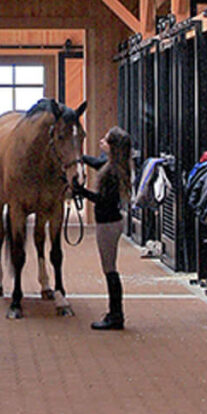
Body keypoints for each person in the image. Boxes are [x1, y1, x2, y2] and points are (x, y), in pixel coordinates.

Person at [72, 126, 135, 331]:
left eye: (105, 140)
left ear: (112, 147)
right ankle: (114, 313)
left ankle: (116, 315)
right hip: (112, 222)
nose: (101, 140)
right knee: (109, 269)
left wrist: (81, 192)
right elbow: (96, 162)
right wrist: (78, 157)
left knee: (110, 270)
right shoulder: (114, 165)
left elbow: (102, 200)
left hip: (107, 224)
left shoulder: (111, 173)